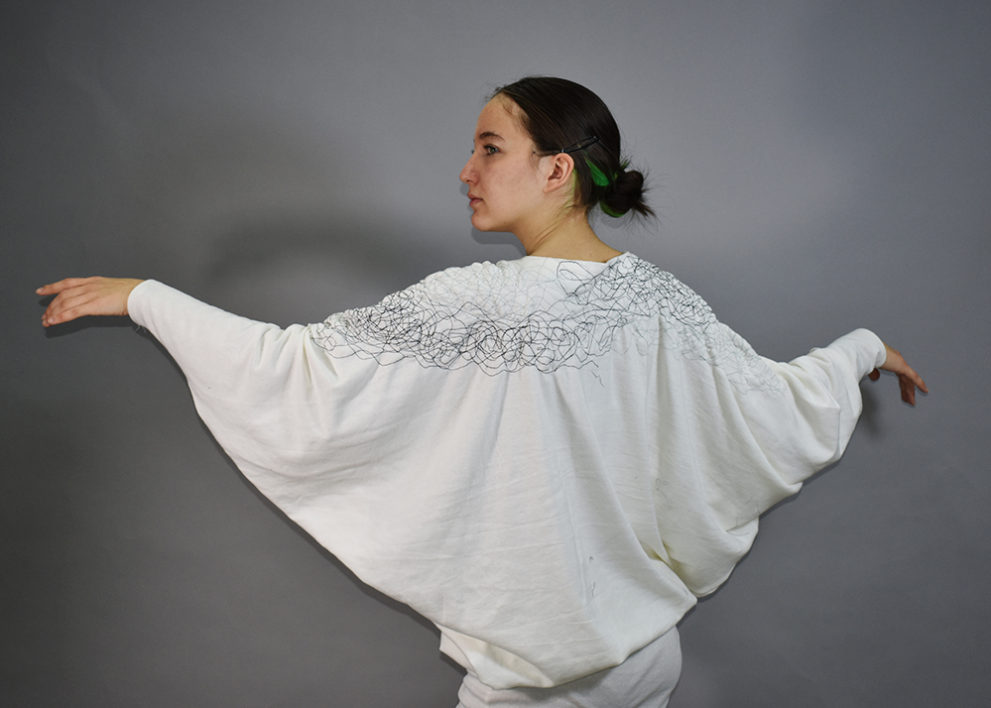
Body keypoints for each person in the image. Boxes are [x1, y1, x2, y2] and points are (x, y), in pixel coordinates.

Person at [37, 77, 926, 707]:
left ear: (556, 170)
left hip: (536, 685)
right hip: (646, 662)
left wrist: (148, 298)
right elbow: (766, 401)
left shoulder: (475, 301)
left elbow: (298, 372)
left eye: (490, 148)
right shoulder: (662, 302)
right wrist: (860, 349)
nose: (466, 169)